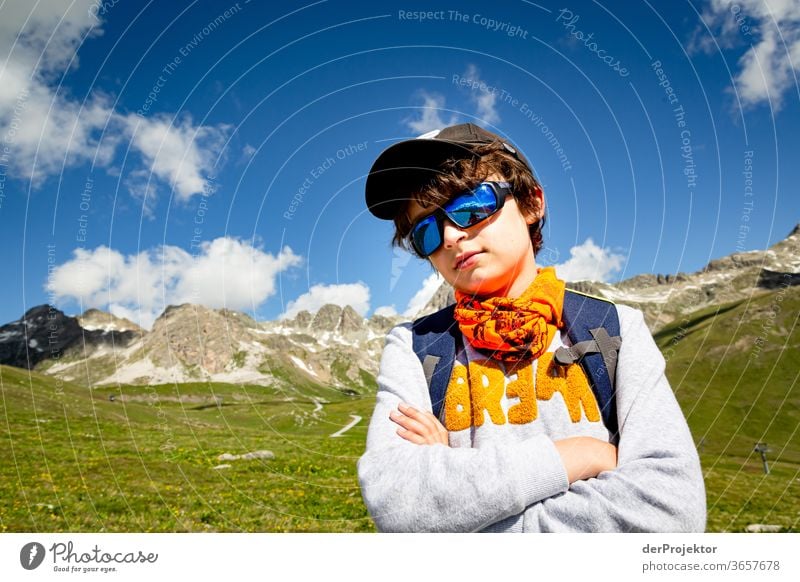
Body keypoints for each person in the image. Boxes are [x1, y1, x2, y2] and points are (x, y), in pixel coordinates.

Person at [357, 123, 706, 532]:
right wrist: (574, 456)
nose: (451, 235)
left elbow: (671, 513)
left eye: (471, 205)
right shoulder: (415, 347)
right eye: (427, 231)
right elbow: (397, 504)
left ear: (530, 203)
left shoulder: (614, 329)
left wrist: (459, 508)